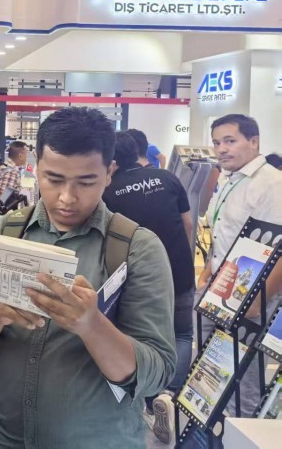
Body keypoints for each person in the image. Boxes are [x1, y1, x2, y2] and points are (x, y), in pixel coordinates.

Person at [0, 107, 175, 449]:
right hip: (4, 438)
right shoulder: (5, 232)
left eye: (86, 182)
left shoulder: (137, 249)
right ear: (36, 167)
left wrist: (91, 325)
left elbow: (157, 371)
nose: (67, 197)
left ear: (109, 173)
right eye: (53, 179)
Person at [102, 132, 195, 442]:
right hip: (179, 268)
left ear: (111, 161)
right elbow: (188, 224)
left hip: (136, 276)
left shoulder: (109, 191)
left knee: (138, 334)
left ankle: (146, 394)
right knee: (182, 334)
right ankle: (168, 395)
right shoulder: (167, 178)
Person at [196, 114, 282, 416]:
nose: (221, 149)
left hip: (252, 292)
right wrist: (208, 270)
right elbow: (223, 229)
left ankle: (240, 429)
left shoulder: (272, 183)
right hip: (221, 286)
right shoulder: (229, 178)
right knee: (212, 366)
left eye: (230, 141)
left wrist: (257, 299)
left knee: (243, 374)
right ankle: (213, 425)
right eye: (217, 142)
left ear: (253, 141)